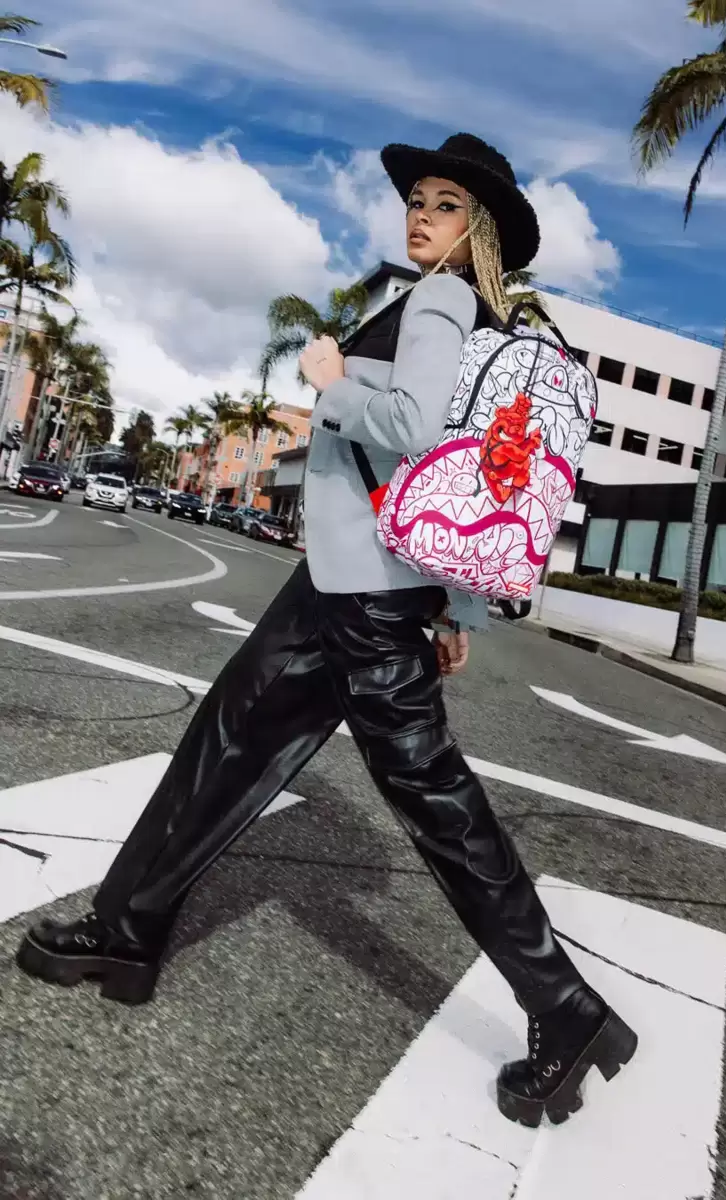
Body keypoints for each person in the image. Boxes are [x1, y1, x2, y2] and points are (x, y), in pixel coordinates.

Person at [16, 133, 636, 1127]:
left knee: (432, 799)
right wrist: (455, 606)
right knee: (229, 740)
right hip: (351, 589)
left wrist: (331, 378)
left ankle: (565, 1009)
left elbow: (419, 431)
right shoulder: (467, 313)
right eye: (417, 198)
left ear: (475, 225)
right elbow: (466, 470)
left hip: (363, 602)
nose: (420, 213)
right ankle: (127, 928)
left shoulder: (440, 301)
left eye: (444, 203)